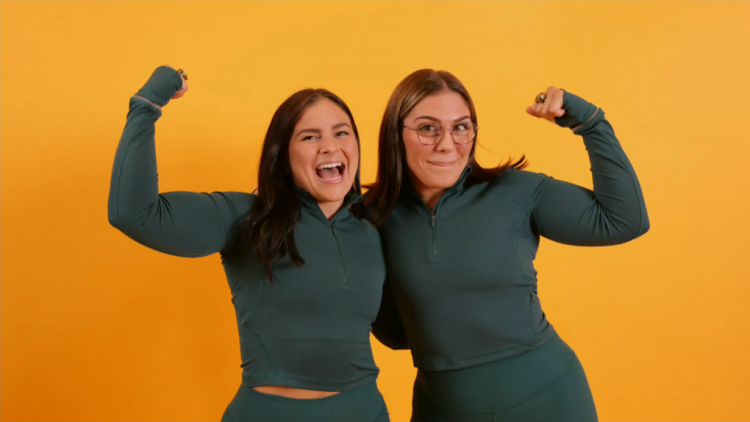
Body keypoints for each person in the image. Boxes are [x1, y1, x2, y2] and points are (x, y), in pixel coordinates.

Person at [108, 65, 390, 422]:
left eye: (341, 133)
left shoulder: (374, 229)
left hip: (365, 412)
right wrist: (146, 104)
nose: (330, 146)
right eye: (309, 137)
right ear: (283, 156)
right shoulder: (247, 216)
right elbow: (133, 214)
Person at [367, 69, 649, 422]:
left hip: (549, 400)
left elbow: (625, 220)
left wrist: (590, 122)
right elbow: (395, 334)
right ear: (396, 134)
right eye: (427, 128)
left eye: (461, 127)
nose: (446, 143)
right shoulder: (368, 218)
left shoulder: (515, 192)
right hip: (442, 409)